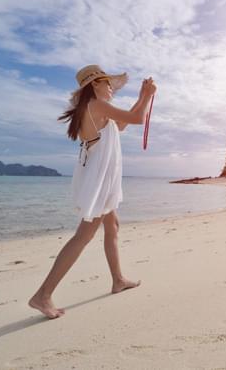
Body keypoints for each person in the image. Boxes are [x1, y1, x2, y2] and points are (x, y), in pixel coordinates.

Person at [29, 64, 157, 319]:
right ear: (95, 85)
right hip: (99, 179)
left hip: (102, 177)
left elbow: (123, 124)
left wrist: (144, 97)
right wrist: (145, 97)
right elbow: (136, 118)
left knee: (112, 227)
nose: (111, 87)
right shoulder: (97, 106)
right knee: (84, 236)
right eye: (107, 83)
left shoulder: (97, 110)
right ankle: (42, 295)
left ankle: (118, 279)